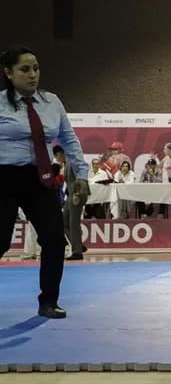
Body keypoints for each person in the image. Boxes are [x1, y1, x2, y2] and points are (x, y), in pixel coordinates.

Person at [0, 46, 90, 318]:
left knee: (54, 240)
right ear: (8, 73)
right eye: (24, 69)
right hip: (3, 177)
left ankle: (48, 301)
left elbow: (69, 139)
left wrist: (82, 175)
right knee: (0, 241)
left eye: (36, 68)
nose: (32, 74)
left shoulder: (52, 102)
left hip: (40, 177)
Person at [55, 145, 89, 260]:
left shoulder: (72, 162)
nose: (56, 159)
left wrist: (77, 195)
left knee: (73, 223)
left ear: (60, 153)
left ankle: (77, 252)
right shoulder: (66, 164)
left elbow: (80, 177)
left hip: (77, 194)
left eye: (56, 156)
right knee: (63, 222)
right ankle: (78, 245)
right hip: (70, 195)